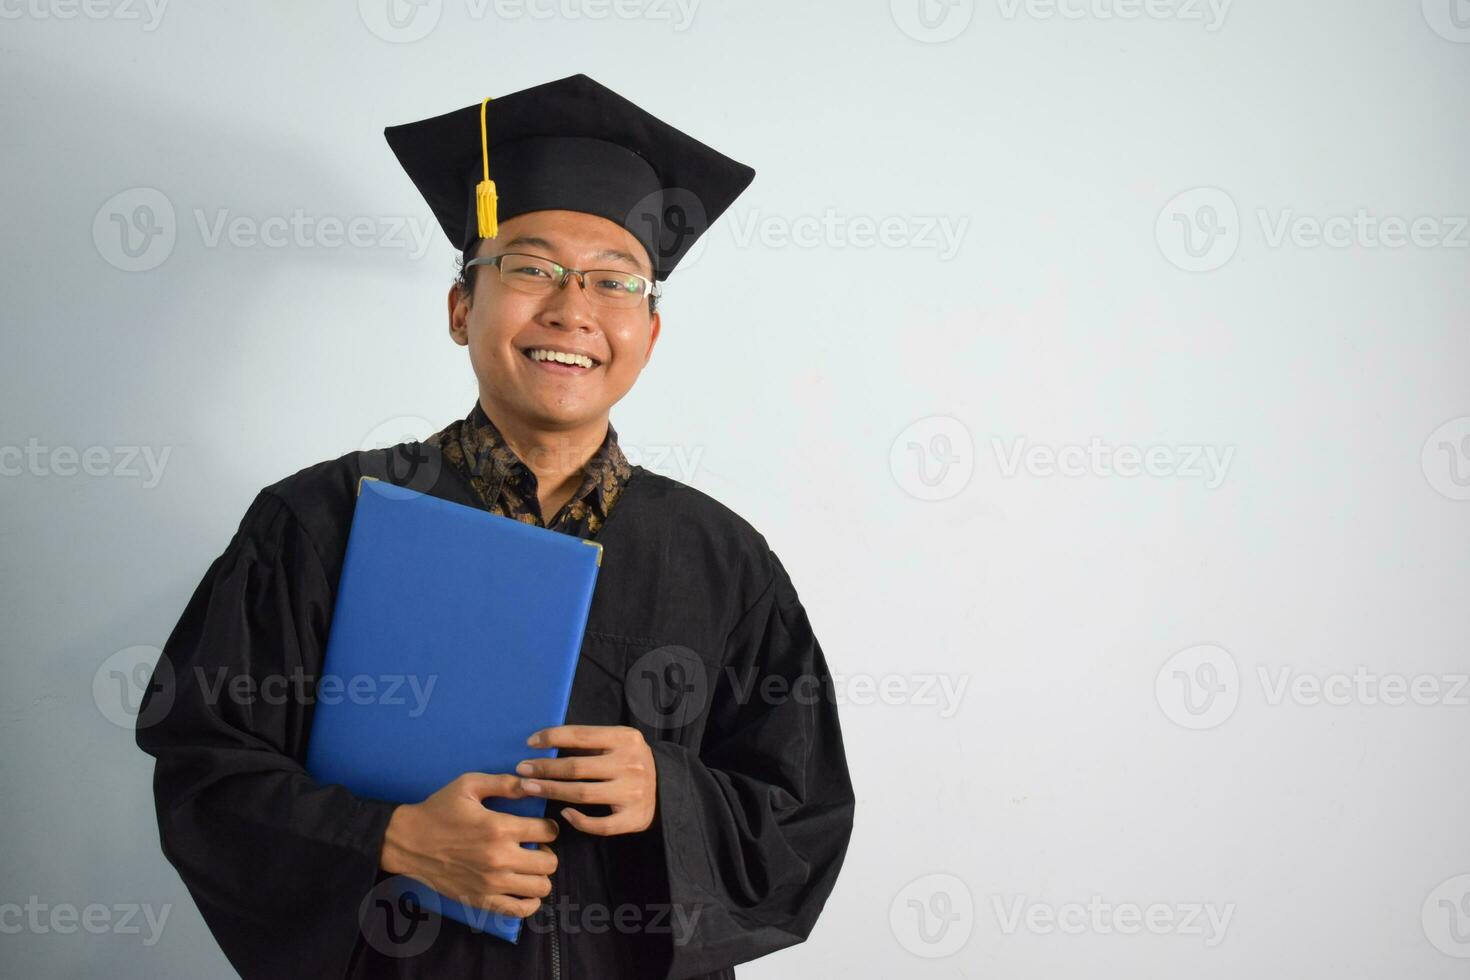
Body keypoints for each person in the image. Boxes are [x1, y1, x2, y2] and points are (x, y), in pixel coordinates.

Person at [135, 73, 856, 980]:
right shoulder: (318, 522)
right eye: (530, 266)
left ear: (650, 331)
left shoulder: (724, 559)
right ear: (459, 307)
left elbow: (805, 816)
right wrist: (388, 838)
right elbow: (204, 774)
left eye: (613, 281)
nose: (571, 308)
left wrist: (668, 792)